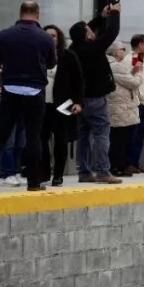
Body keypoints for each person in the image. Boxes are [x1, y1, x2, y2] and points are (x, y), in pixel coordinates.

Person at [0, 2, 56, 192]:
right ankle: (34, 182)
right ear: (38, 14)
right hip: (35, 91)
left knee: (1, 134)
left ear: (20, 13)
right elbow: (51, 63)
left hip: (10, 90)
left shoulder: (5, 35)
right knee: (33, 137)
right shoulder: (46, 38)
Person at [69, 2, 122, 184]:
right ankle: (102, 170)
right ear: (86, 36)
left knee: (83, 136)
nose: (92, 32)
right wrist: (114, 14)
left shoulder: (73, 49)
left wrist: (101, 17)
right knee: (101, 133)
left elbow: (87, 29)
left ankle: (84, 172)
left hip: (78, 100)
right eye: (89, 31)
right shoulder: (93, 48)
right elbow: (111, 33)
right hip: (95, 100)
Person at [41, 25, 84, 187]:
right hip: (42, 103)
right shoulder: (38, 54)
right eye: (47, 36)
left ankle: (58, 175)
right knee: (41, 139)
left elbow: (78, 81)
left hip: (63, 104)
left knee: (61, 140)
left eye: (53, 36)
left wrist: (78, 102)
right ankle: (44, 171)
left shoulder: (69, 56)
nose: (51, 38)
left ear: (59, 38)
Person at [105, 42, 142, 177]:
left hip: (122, 107)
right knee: (120, 139)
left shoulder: (113, 66)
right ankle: (118, 166)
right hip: (121, 107)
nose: (125, 52)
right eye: (122, 49)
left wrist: (132, 72)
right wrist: (138, 73)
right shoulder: (116, 66)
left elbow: (125, 79)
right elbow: (134, 82)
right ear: (115, 52)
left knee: (120, 139)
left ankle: (120, 166)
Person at [126, 34, 144, 174]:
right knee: (134, 135)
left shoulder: (143, 60)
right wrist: (141, 97)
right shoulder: (134, 58)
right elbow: (134, 80)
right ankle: (130, 162)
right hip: (138, 103)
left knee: (139, 135)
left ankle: (135, 162)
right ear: (140, 44)